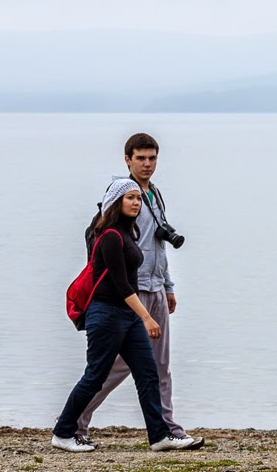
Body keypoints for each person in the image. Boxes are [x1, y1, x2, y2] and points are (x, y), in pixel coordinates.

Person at [75, 133, 203, 449]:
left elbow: (158, 244)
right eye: (141, 158)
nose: (147, 164)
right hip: (130, 293)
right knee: (113, 367)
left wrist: (168, 286)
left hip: (156, 289)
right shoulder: (122, 195)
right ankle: (74, 423)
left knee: (160, 366)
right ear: (127, 160)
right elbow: (107, 240)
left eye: (152, 158)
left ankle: (169, 428)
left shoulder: (155, 194)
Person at [53, 179, 196, 452]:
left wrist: (165, 287)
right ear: (116, 203)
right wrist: (146, 317)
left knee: (147, 372)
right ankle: (63, 432)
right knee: (95, 375)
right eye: (130, 198)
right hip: (106, 314)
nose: (135, 202)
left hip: (125, 316)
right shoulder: (109, 237)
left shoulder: (129, 233)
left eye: (138, 199)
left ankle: (159, 436)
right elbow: (122, 285)